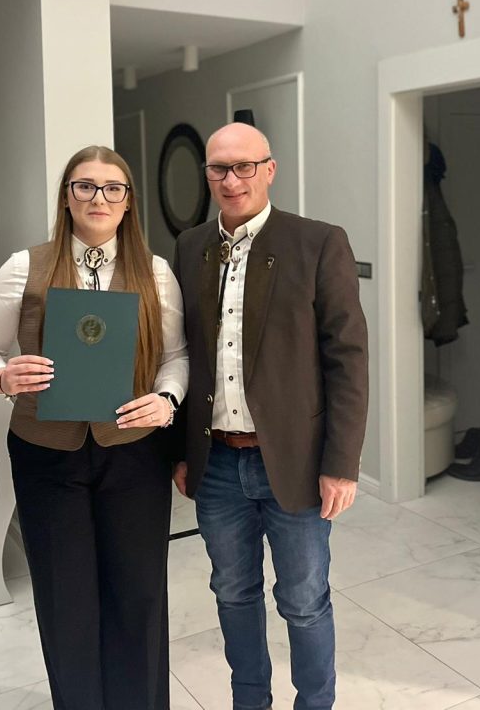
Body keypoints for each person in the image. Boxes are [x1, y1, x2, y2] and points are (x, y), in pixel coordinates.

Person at [0, 145, 187, 710]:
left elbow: (176, 356)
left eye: (113, 187)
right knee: (66, 601)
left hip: (134, 453)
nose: (98, 198)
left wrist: (167, 400)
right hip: (47, 454)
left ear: (128, 202)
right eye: (84, 186)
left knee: (138, 593)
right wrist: (0, 375)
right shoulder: (24, 266)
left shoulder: (156, 272)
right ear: (67, 197)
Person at [172, 123, 368, 710]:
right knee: (233, 593)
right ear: (207, 175)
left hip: (295, 463)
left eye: (245, 166)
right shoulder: (189, 246)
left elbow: (347, 359)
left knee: (304, 601)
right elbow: (180, 354)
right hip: (216, 465)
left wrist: (341, 463)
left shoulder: (318, 242)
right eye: (219, 168)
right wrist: (180, 452)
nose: (232, 180)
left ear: (269, 169)